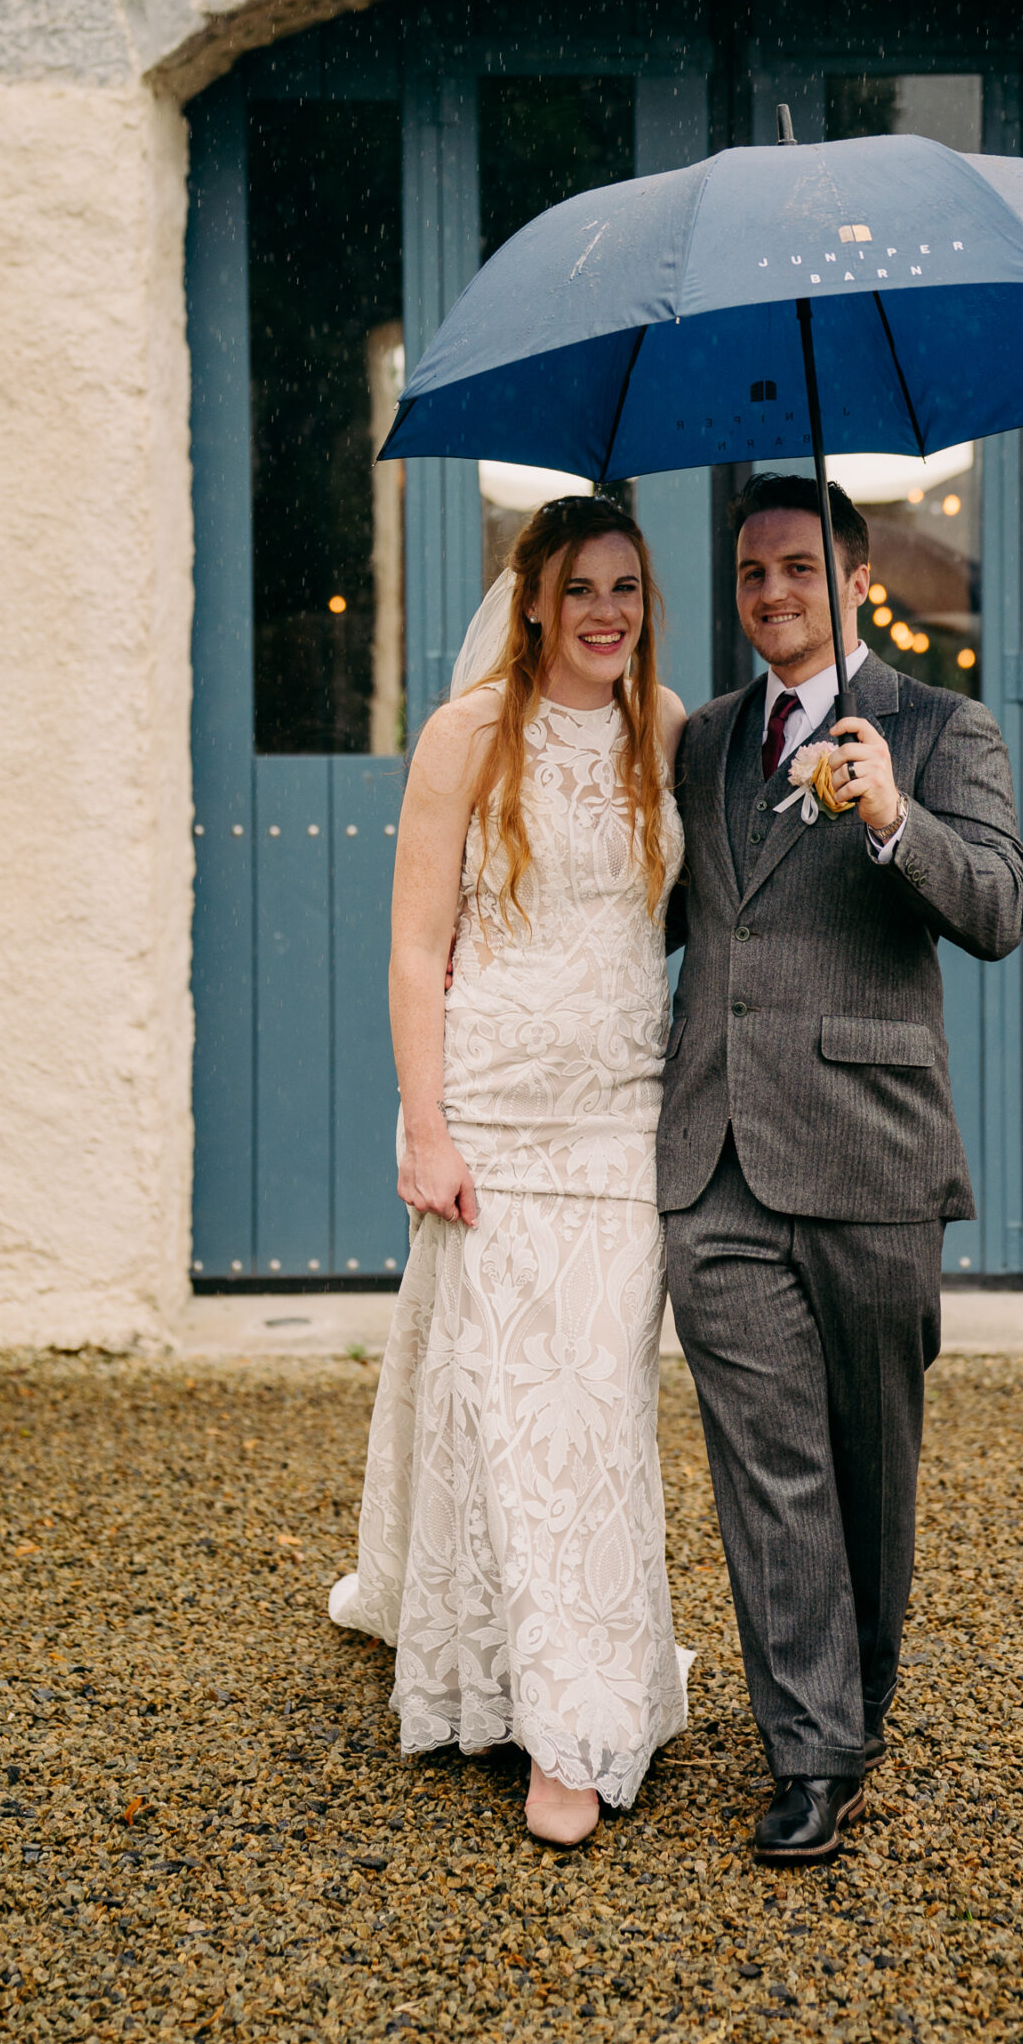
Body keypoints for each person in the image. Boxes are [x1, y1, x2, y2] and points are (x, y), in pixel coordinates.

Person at [660, 472, 1023, 1864]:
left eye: (798, 571)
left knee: (872, 1465)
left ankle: (858, 1699)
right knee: (769, 1471)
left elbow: (999, 907)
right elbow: (659, 922)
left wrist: (893, 817)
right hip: (716, 1167)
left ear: (856, 579)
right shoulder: (700, 744)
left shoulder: (940, 726)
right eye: (751, 573)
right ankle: (809, 1751)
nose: (771, 595)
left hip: (872, 1156)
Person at [329, 493, 690, 1849]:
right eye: (583, 589)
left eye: (629, 590)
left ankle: (588, 1696)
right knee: (498, 1408)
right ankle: (548, 1715)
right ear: (533, 597)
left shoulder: (666, 736)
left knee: (591, 1411)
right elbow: (418, 947)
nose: (608, 613)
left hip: (618, 1130)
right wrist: (427, 1126)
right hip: (491, 1119)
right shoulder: (465, 737)